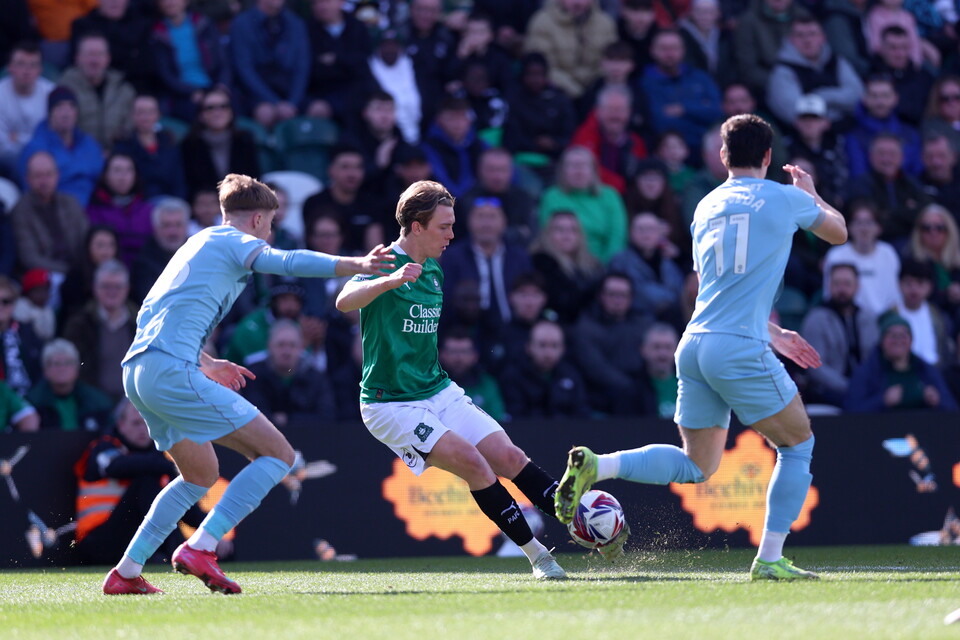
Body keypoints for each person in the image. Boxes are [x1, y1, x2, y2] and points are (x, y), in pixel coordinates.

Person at [554, 113, 848, 579]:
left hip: (694, 343)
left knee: (697, 465)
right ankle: (769, 559)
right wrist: (811, 193)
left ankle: (599, 464)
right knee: (797, 444)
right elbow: (839, 231)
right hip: (737, 346)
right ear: (769, 157)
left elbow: (717, 286)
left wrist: (776, 333)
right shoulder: (785, 197)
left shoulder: (705, 206)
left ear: (722, 156)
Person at [101, 173, 393, 595]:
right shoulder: (233, 241)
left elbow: (152, 314)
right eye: (270, 224)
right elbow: (287, 262)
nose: (270, 234)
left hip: (141, 372)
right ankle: (202, 545)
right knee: (279, 454)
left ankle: (126, 573)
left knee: (199, 475)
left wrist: (206, 360)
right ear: (257, 219)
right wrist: (356, 265)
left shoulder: (196, 244)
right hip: (169, 370)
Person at [335, 179, 570, 579]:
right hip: (389, 403)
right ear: (416, 226)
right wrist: (389, 282)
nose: (452, 234)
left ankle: (585, 524)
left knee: (510, 458)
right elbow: (343, 301)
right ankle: (540, 558)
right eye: (444, 226)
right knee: (475, 465)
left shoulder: (435, 272)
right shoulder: (384, 263)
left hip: (438, 390)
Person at [74, 398, 204, 565]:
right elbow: (115, 466)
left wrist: (211, 533)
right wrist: (170, 466)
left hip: (131, 540)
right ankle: (171, 553)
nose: (143, 430)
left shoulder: (159, 459)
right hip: (98, 541)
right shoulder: (103, 446)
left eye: (148, 423)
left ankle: (180, 553)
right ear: (120, 424)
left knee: (170, 491)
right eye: (136, 423)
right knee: (147, 479)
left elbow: (186, 507)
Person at [799, 263, 880, 407]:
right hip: (828, 392)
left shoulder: (868, 318)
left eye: (847, 284)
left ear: (857, 286)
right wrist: (848, 387)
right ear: (829, 285)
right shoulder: (816, 319)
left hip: (865, 389)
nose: (842, 289)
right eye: (837, 283)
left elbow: (874, 358)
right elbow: (814, 366)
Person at [844, 313, 958, 412]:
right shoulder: (866, 371)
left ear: (911, 340)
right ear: (882, 340)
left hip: (922, 431)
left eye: (903, 336)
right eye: (892, 336)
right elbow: (850, 411)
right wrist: (882, 401)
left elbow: (952, 409)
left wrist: (938, 401)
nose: (898, 341)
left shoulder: (927, 370)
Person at [62, 259, 137, 401]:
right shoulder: (79, 324)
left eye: (117, 286)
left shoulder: (140, 323)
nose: (112, 292)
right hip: (92, 403)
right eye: (106, 286)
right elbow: (76, 366)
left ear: (127, 288)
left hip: (134, 404)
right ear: (95, 287)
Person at [240, 319, 336, 429]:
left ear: (301, 348)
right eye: (281, 345)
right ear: (270, 346)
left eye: (292, 345)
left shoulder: (317, 378)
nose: (287, 351)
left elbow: (327, 417)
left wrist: (289, 419)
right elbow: (251, 415)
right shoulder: (253, 376)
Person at [500, 318, 590, 418]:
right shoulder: (513, 377)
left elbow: (582, 413)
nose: (548, 353)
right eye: (542, 345)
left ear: (563, 349)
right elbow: (516, 416)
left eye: (554, 346)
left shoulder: (572, 375)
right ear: (529, 347)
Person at [26, 338, 114, 432]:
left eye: (68, 363)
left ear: (77, 369)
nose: (62, 368)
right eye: (56, 363)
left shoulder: (97, 401)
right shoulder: (32, 403)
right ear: (45, 370)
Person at [0, 41, 54, 177]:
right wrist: (33, 139)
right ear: (10, 67)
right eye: (21, 64)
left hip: (44, 160)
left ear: (40, 69)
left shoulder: (51, 94)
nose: (27, 71)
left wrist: (17, 137)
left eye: (33, 65)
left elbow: (53, 139)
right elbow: (2, 145)